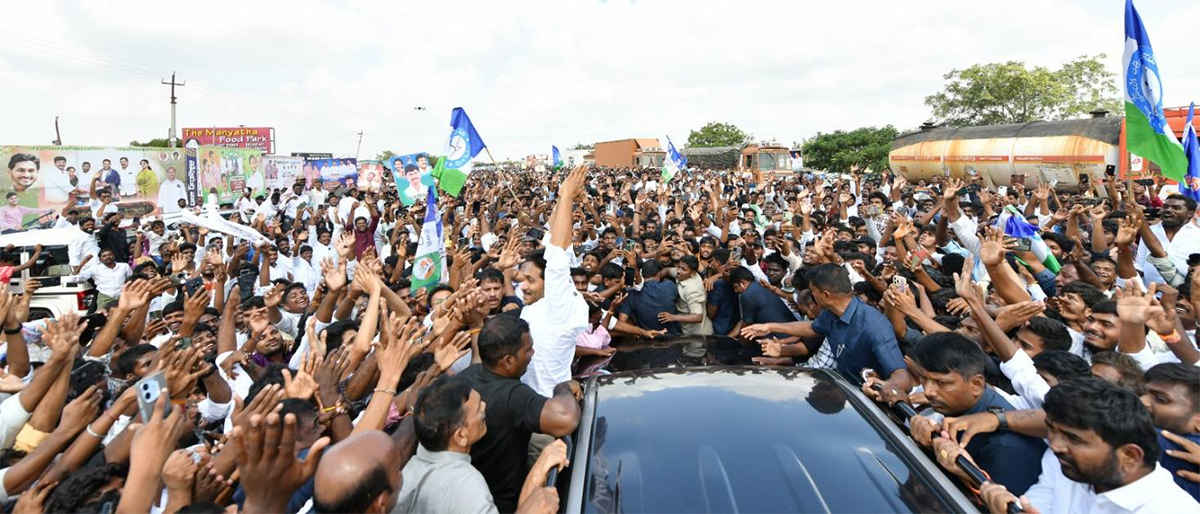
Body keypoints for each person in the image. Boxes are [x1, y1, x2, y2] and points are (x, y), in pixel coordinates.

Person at [980, 378, 1200, 514]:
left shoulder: (1173, 510)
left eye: (1074, 439)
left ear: (1130, 456)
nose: (1055, 446)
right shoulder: (1065, 466)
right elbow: (1035, 505)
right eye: (1052, 430)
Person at [457, 315, 581, 512]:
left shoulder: (468, 375)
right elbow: (566, 418)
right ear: (507, 361)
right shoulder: (513, 396)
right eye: (528, 349)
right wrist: (563, 388)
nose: (533, 352)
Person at [741, 263, 913, 404]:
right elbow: (812, 328)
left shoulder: (874, 325)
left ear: (825, 295)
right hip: (846, 391)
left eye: (813, 292)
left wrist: (889, 389)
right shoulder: (830, 313)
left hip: (870, 405)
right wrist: (770, 327)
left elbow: (901, 375)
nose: (811, 296)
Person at [395, 375, 564, 514]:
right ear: (460, 435)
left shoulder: (409, 470)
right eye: (478, 409)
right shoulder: (467, 486)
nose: (484, 407)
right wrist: (537, 473)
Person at [906, 333, 1047, 495]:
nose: (929, 391)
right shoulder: (962, 406)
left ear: (976, 384)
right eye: (924, 378)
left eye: (942, 383)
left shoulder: (1003, 447)